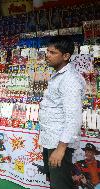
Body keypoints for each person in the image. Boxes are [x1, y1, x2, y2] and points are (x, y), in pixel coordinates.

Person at [38, 36, 86, 189]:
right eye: (47, 51)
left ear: (66, 56)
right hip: (51, 137)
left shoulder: (70, 79)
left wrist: (61, 149)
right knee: (54, 181)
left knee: (61, 185)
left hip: (59, 142)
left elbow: (74, 118)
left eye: (52, 52)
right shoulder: (58, 74)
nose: (48, 55)